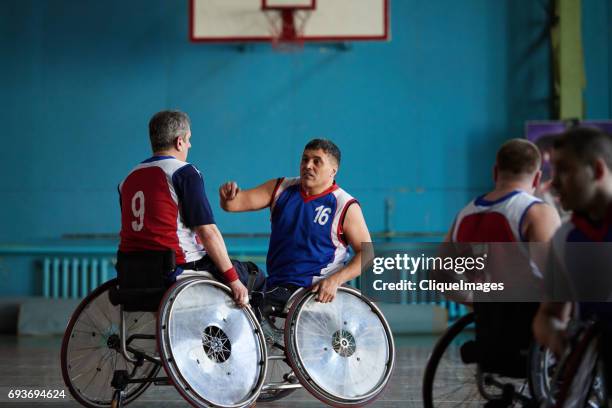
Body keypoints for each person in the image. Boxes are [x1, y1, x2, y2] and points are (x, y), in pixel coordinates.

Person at [118, 110, 264, 307]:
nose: (189, 145)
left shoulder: (127, 179)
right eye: (188, 140)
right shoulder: (183, 172)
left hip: (132, 272)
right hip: (175, 269)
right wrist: (234, 280)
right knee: (253, 274)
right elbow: (207, 231)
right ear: (179, 141)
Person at [446, 138, 561, 381]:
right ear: (538, 178)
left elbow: (439, 277)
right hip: (533, 333)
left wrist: (479, 303)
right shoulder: (537, 212)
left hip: (489, 334)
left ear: (495, 171)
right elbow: (557, 279)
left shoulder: (464, 215)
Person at [218, 138, 371, 304]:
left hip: (311, 290)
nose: (308, 165)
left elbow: (368, 253)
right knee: (222, 271)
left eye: (316, 161)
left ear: (333, 171)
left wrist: (335, 280)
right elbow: (234, 204)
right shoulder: (281, 187)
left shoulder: (344, 204)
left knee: (255, 304)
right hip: (276, 285)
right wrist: (228, 197)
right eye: (305, 159)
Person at [533, 127, 612, 391]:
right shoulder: (565, 237)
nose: (553, 183)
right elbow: (548, 315)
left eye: (564, 170)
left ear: (598, 171)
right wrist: (557, 336)